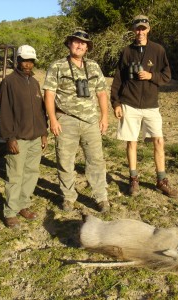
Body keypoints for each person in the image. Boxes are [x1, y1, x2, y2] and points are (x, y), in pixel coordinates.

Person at [110, 15, 178, 198]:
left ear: (148, 29)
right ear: (133, 30)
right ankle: (133, 179)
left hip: (151, 105)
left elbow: (167, 75)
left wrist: (151, 76)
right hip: (129, 104)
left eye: (143, 28)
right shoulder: (126, 51)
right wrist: (115, 103)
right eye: (137, 28)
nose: (140, 32)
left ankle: (161, 180)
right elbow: (118, 79)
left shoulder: (158, 50)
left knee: (158, 141)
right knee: (131, 142)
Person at [43, 29, 110, 213]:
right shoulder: (57, 66)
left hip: (91, 121)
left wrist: (104, 116)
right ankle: (68, 197)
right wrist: (52, 119)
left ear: (87, 48)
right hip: (66, 120)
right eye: (76, 41)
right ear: (69, 44)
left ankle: (101, 197)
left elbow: (102, 93)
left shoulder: (94, 67)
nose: (80, 45)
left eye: (84, 43)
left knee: (96, 160)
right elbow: (49, 94)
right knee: (65, 160)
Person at [0, 45, 48, 229]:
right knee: (15, 175)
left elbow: (41, 110)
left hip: (36, 137)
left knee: (31, 173)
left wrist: (44, 132)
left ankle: (23, 204)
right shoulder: (9, 82)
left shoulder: (34, 82)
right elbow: (4, 112)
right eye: (24, 61)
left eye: (31, 61)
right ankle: (10, 212)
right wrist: (9, 137)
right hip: (18, 137)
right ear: (17, 61)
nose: (28, 64)